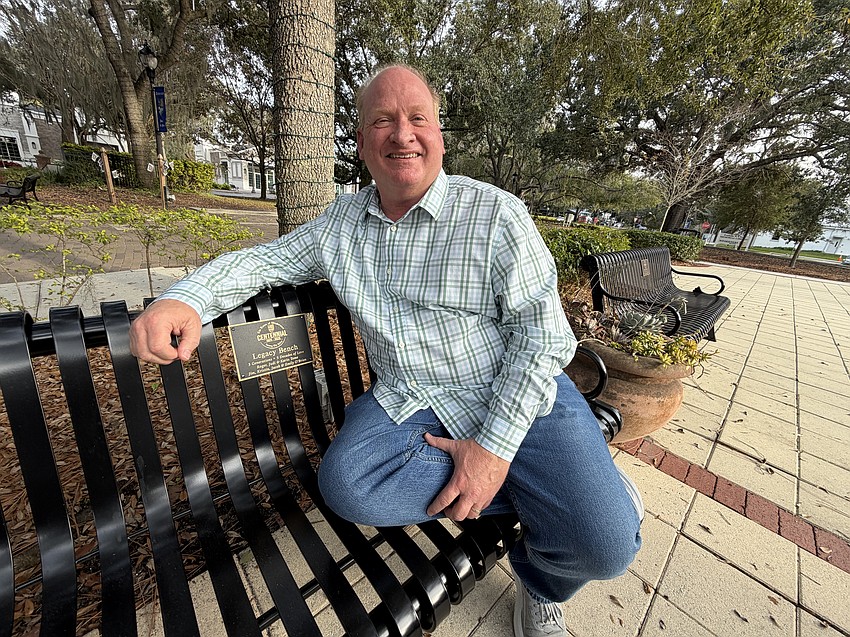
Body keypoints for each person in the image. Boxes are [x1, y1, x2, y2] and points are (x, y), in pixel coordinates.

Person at [130, 64, 643, 637]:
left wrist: (492, 451)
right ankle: (563, 499)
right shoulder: (340, 227)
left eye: (417, 118)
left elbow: (542, 338)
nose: (402, 134)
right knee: (348, 485)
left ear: (439, 134)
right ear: (361, 142)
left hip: (519, 390)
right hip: (411, 400)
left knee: (606, 547)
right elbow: (261, 262)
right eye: (382, 121)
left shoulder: (496, 214)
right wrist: (184, 299)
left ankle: (546, 575)